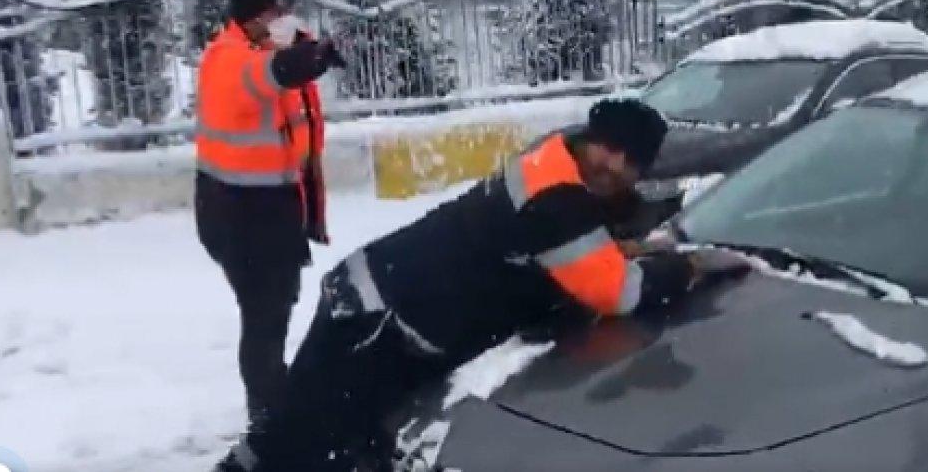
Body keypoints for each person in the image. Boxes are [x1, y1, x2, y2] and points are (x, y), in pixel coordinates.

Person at [218, 99, 719, 472]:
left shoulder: (556, 160)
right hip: (378, 319)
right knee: (298, 446)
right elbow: (620, 293)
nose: (613, 165)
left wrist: (621, 251)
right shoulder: (559, 198)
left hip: (379, 302)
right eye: (608, 147)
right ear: (591, 137)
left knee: (336, 443)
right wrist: (688, 268)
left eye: (629, 160)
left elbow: (562, 254)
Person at [195, 0, 345, 428]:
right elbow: (270, 76)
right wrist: (311, 58)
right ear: (250, 17)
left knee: (277, 305)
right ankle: (269, 414)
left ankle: (274, 399)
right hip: (238, 214)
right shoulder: (229, 58)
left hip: (270, 210)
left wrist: (310, 51)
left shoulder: (267, 46)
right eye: (273, 12)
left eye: (286, 10)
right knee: (264, 315)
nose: (283, 19)